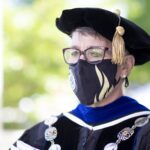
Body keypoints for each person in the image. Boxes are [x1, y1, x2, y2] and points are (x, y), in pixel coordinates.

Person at [10, 7, 150, 150]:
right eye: (75, 52)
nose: (81, 63)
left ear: (125, 65)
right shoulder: (41, 137)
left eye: (95, 53)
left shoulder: (145, 133)